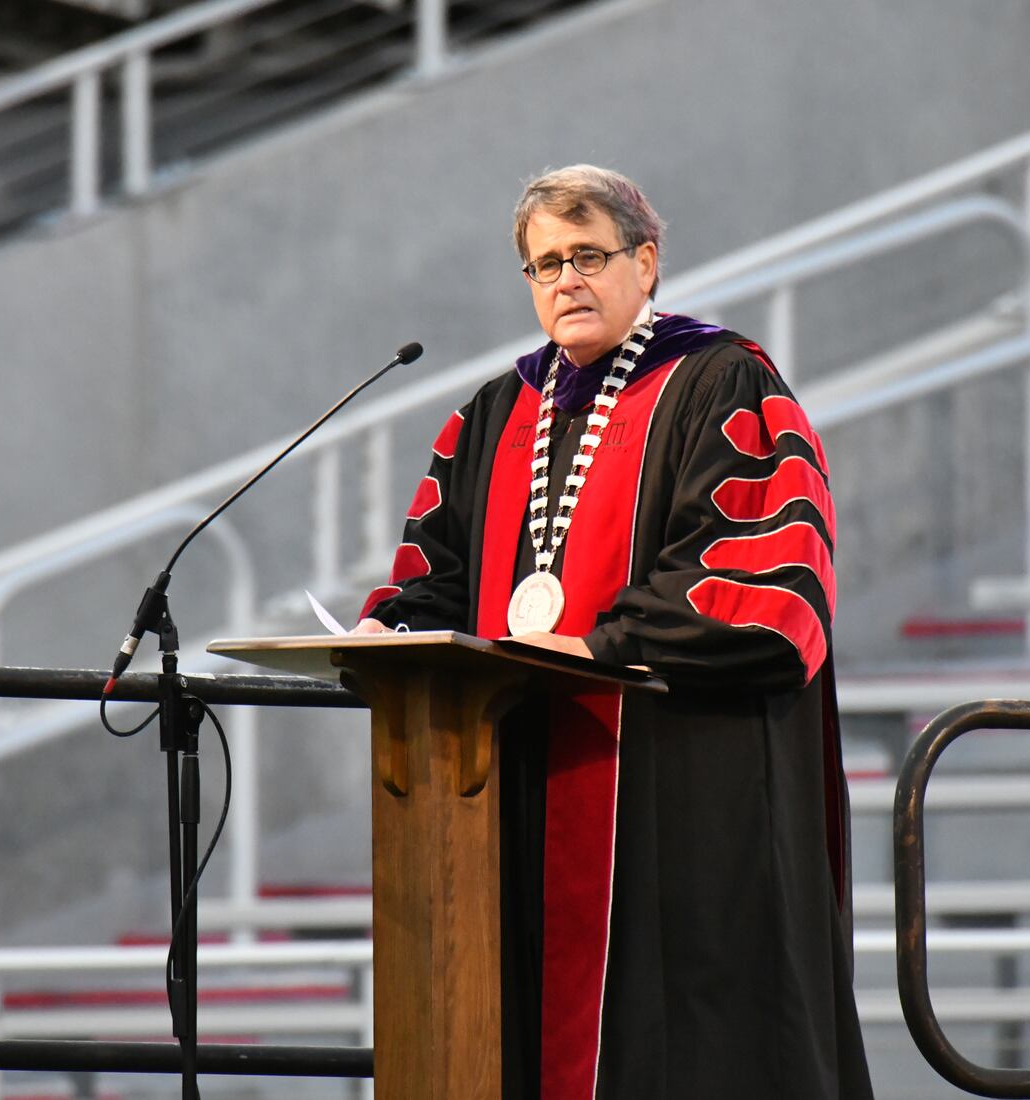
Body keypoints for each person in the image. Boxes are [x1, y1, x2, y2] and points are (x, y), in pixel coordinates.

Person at [353, 165, 871, 1100]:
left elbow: (765, 592)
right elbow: (435, 576)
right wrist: (391, 635)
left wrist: (595, 645)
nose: (566, 281)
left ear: (646, 261)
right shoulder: (494, 414)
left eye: (588, 254)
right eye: (544, 264)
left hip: (678, 795)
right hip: (512, 789)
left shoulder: (724, 382)